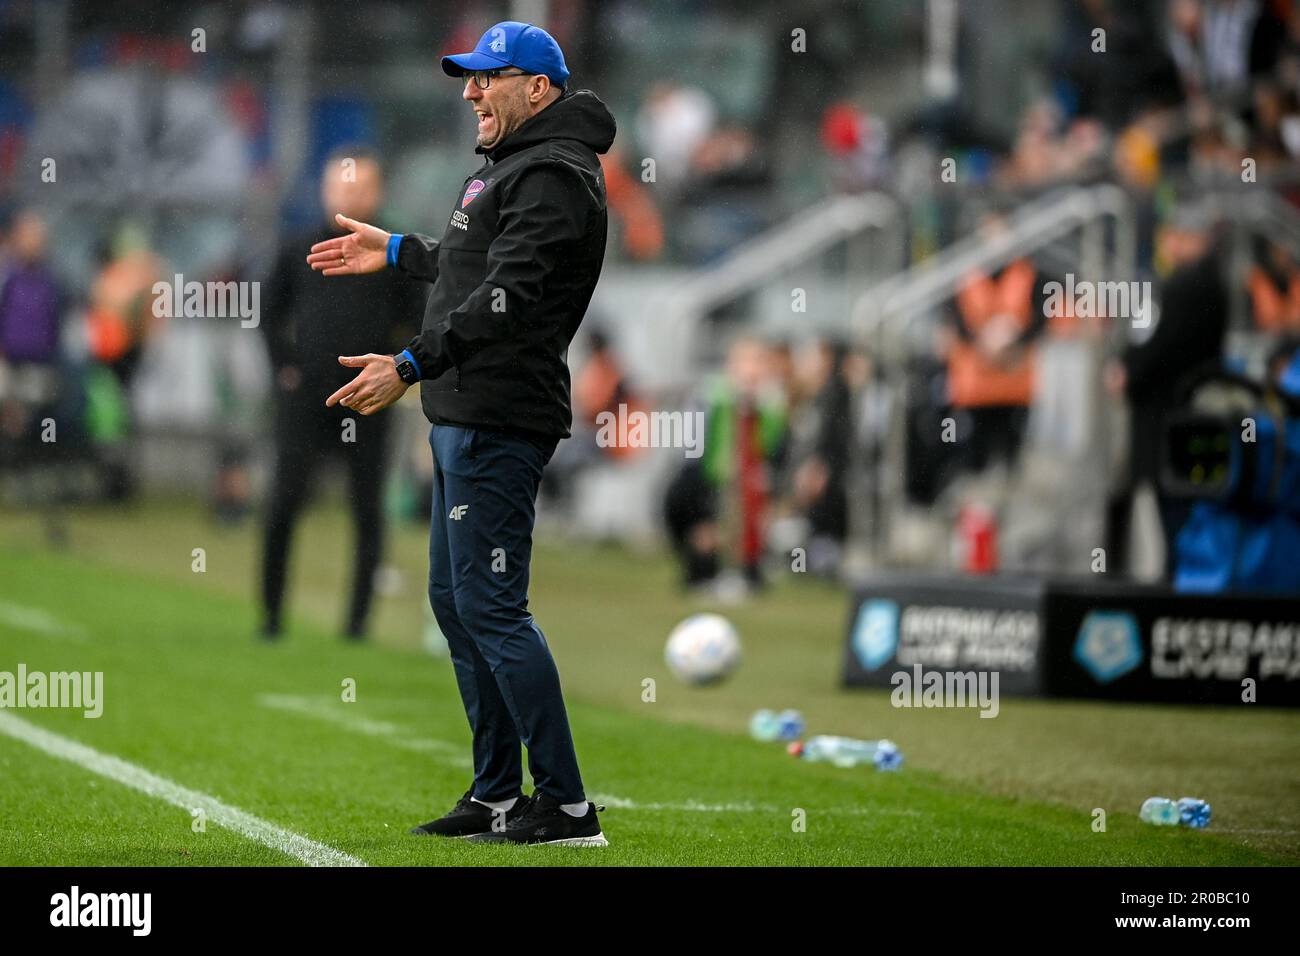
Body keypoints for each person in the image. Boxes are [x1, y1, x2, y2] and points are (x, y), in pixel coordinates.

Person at [305, 21, 615, 846]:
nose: (471, 90)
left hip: (499, 415)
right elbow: (475, 264)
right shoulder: (517, 167)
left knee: (492, 607)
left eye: (490, 76)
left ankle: (569, 806)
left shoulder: (554, 174)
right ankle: (497, 795)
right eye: (469, 77)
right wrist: (402, 250)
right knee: (458, 603)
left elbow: (505, 298)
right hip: (463, 410)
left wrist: (408, 363)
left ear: (538, 88)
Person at [258, 147, 425, 640]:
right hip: (305, 394)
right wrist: (284, 370)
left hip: (370, 398)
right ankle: (270, 617)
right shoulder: (297, 247)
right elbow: (269, 316)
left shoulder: (395, 253)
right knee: (284, 501)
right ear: (325, 190)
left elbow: (419, 320)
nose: (350, 193)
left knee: (367, 508)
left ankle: (357, 625)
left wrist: (397, 372)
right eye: (341, 184)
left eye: (361, 186)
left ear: (377, 192)